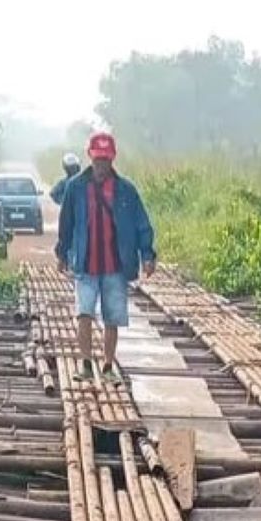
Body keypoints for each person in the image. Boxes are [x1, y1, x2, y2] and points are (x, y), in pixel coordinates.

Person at [54, 132, 156, 383]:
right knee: (84, 313)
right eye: (98, 160)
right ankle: (86, 364)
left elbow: (142, 223)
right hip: (86, 264)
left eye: (106, 160)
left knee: (112, 317)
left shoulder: (126, 190)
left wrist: (147, 254)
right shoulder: (75, 188)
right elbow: (66, 223)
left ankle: (108, 366)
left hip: (115, 265)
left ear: (112, 159)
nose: (101, 165)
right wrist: (62, 253)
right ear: (90, 157)